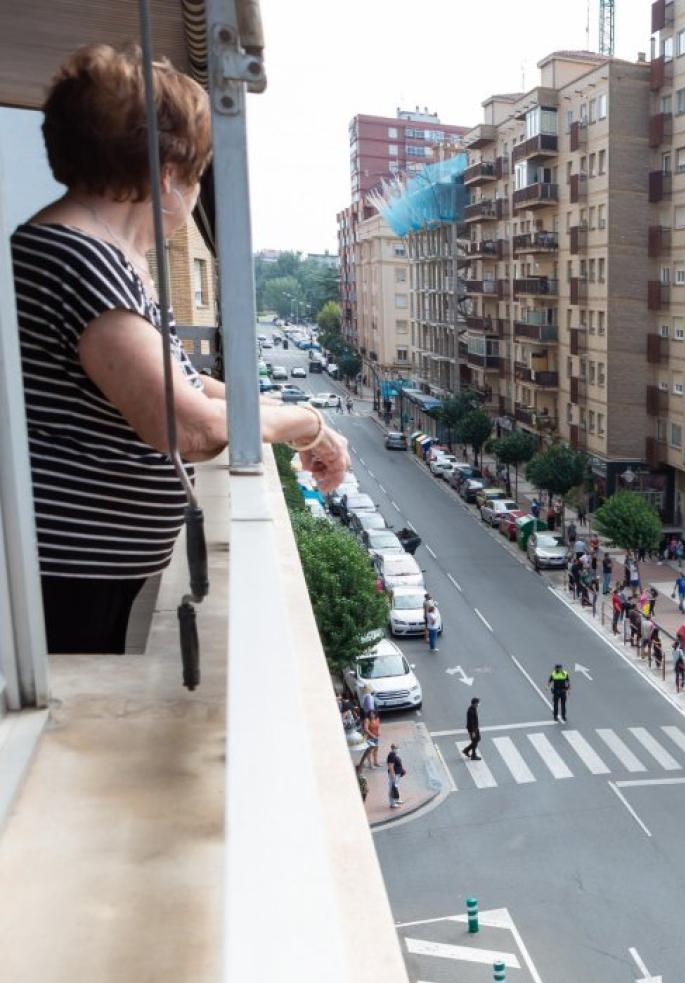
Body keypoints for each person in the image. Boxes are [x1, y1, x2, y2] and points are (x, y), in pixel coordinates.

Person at [17, 46, 350, 652]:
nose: (195, 195)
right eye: (198, 174)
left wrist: (291, 421)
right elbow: (187, 425)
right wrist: (305, 419)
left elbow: (184, 382)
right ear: (167, 174)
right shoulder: (80, 258)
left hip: (84, 573)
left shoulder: (94, 253)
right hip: (70, 581)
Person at [385, 744, 405, 810]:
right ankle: (392, 803)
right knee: (392, 788)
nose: (398, 749)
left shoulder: (394, 754)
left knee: (395, 787)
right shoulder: (392, 755)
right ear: (393, 748)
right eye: (396, 748)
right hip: (394, 774)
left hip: (397, 774)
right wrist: (392, 775)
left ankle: (396, 799)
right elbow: (390, 766)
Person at [463, 697, 482, 761]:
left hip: (475, 728)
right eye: (477, 703)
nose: (478, 704)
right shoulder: (471, 711)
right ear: (474, 703)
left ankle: (467, 751)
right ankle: (471, 754)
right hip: (472, 729)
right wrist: (473, 732)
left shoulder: (474, 708)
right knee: (475, 741)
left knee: (476, 740)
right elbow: (471, 722)